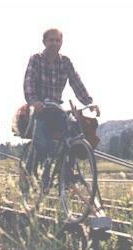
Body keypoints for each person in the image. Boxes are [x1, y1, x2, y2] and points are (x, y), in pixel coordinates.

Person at [23, 28, 98, 163]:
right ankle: (29, 170)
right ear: (44, 42)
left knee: (74, 134)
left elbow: (76, 82)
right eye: (51, 40)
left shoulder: (65, 62)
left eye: (58, 40)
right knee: (42, 146)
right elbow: (28, 82)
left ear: (62, 42)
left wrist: (89, 102)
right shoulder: (36, 59)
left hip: (56, 108)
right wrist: (34, 101)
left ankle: (67, 176)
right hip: (39, 109)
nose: (54, 43)